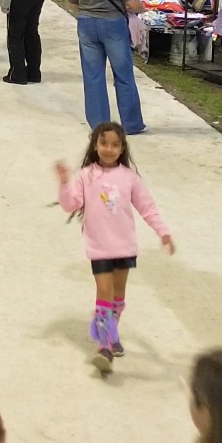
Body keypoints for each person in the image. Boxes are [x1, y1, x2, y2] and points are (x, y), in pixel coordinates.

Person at [56, 121, 174, 372]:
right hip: (99, 249)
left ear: (122, 148)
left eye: (115, 145)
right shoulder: (86, 176)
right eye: (104, 144)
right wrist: (65, 183)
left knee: (118, 299)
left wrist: (163, 232)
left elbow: (147, 207)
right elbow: (70, 204)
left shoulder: (129, 178)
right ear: (95, 145)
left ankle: (112, 331)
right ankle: (105, 345)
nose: (109, 149)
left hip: (125, 248)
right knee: (104, 294)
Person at [71, 0, 148, 133]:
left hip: (86, 26)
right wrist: (143, 9)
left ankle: (99, 125)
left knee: (93, 76)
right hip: (113, 26)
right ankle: (131, 124)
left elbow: (72, 2)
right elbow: (133, 5)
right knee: (123, 75)